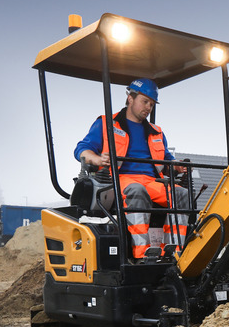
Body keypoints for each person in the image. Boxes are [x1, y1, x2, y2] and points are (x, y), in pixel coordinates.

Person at [75, 78, 189, 258]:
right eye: (145, 102)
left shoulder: (156, 131)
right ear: (130, 98)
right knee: (137, 190)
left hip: (152, 181)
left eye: (151, 104)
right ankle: (142, 253)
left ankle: (175, 251)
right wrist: (97, 159)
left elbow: (166, 160)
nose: (148, 107)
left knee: (181, 194)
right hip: (119, 179)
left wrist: (176, 167)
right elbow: (81, 150)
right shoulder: (106, 124)